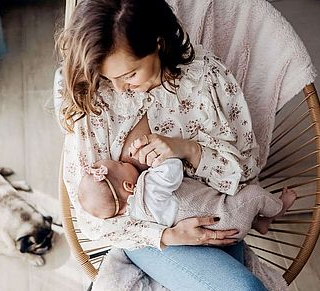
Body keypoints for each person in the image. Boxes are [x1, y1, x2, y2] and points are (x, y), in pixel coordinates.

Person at [55, 0, 275, 289]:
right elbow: (89, 217)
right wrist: (166, 236)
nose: (120, 88)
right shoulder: (96, 99)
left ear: (158, 44)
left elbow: (245, 171)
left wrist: (188, 149)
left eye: (130, 74)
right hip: (148, 240)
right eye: (110, 77)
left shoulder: (204, 78)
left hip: (219, 217)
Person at [78, 157, 296, 239]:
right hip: (226, 215)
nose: (126, 162)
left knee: (242, 204)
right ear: (128, 185)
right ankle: (278, 208)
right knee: (253, 194)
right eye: (122, 164)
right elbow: (173, 168)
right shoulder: (150, 186)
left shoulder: (136, 215)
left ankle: (259, 222)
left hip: (219, 233)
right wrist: (156, 161)